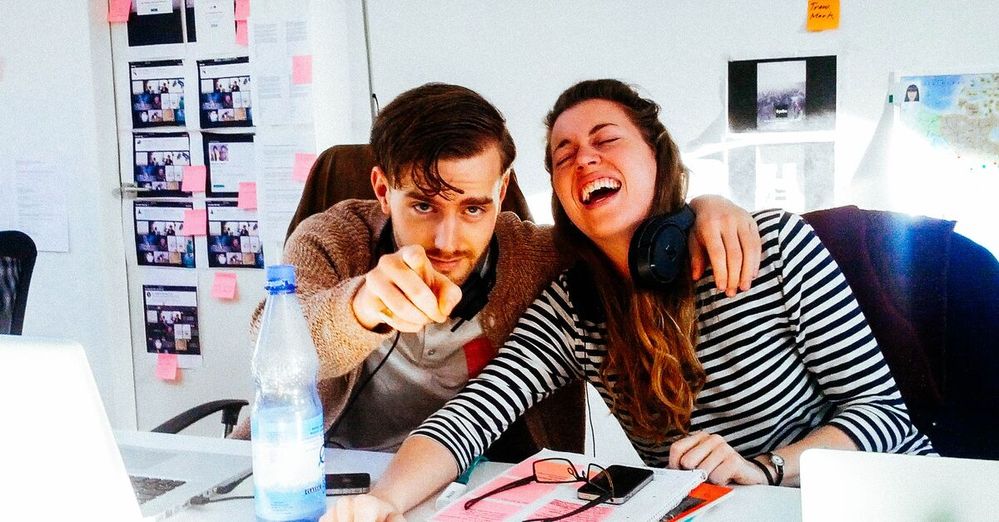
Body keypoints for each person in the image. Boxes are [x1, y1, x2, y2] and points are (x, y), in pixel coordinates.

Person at [326, 79, 935, 521]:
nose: (583, 157)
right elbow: (469, 418)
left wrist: (767, 468)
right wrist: (384, 501)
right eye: (563, 155)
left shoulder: (770, 246)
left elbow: (883, 420)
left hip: (877, 501)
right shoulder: (570, 307)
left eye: (605, 140)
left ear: (656, 155)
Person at [230, 83, 762, 459]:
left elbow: (616, 232)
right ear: (380, 187)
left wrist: (706, 207)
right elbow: (272, 346)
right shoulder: (332, 236)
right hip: (313, 469)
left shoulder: (537, 258)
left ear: (502, 191)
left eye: (474, 208)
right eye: (422, 206)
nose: (447, 240)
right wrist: (360, 307)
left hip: (465, 484)